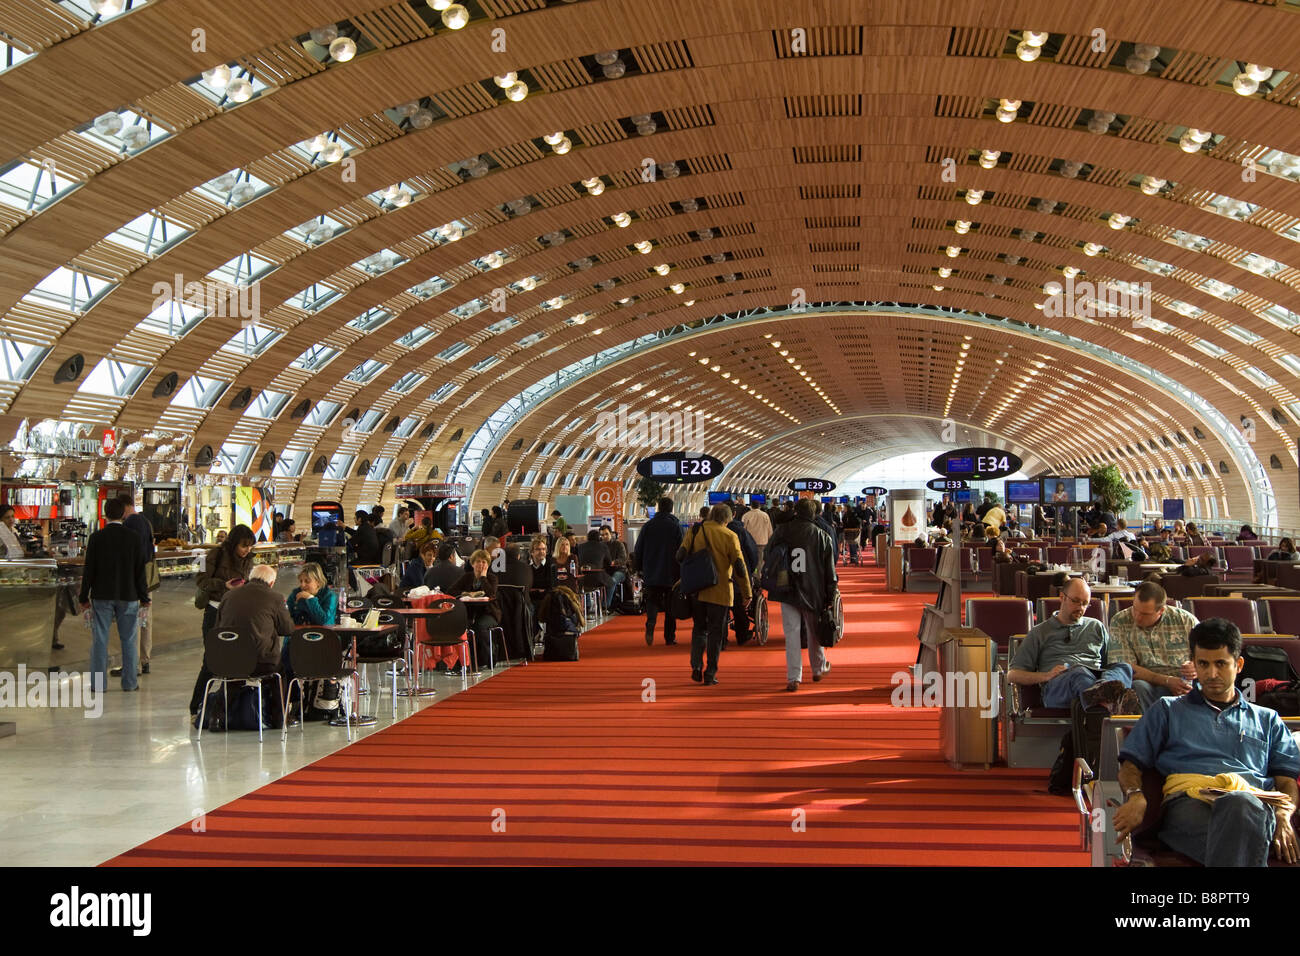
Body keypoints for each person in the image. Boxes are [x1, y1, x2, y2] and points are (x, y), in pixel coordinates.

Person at [1113, 619, 1300, 867]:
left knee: (1241, 807)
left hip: (1255, 807)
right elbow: (1131, 765)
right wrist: (1136, 796)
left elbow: (1287, 781)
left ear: (1239, 664)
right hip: (1189, 807)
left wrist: (1284, 815)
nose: (1211, 674)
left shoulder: (1267, 719)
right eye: (1203, 664)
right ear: (1194, 665)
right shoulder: (1167, 711)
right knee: (1242, 814)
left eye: (1221, 664)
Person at [1007, 577, 1137, 712]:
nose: (1080, 608)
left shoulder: (1096, 627)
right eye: (1075, 601)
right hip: (1059, 686)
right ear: (1062, 597)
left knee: (1124, 667)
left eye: (1085, 603)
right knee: (1079, 672)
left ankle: (1100, 700)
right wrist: (1046, 676)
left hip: (1093, 678)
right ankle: (1108, 704)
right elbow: (1013, 674)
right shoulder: (1040, 632)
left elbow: (1108, 664)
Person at [78, 496, 149, 694]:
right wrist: (144, 597)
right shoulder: (133, 538)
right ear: (123, 514)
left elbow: (89, 569)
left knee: (100, 640)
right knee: (128, 640)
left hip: (101, 595)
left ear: (105, 514)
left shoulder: (96, 538)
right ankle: (129, 682)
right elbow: (139, 571)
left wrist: (84, 596)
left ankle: (99, 685)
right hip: (129, 595)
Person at [675, 504, 750, 686]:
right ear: (726, 519)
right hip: (721, 591)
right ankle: (710, 672)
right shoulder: (730, 536)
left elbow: (680, 556)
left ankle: (696, 666)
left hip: (698, 589)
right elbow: (739, 567)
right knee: (716, 632)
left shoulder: (695, 531)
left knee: (699, 629)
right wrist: (747, 592)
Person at [767, 498, 837, 691]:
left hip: (787, 588)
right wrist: (830, 595)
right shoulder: (823, 536)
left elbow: (768, 554)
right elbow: (829, 571)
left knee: (792, 634)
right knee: (814, 632)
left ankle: (793, 677)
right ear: (813, 513)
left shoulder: (782, 531)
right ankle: (818, 669)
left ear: (796, 512)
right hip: (813, 590)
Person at [188, 524, 256, 715]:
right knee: (211, 661)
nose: (247, 550)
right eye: (244, 546)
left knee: (237, 660)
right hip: (214, 611)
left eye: (250, 546)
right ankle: (197, 706)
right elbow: (201, 581)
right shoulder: (214, 555)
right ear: (234, 543)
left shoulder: (249, 560)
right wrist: (223, 585)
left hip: (235, 613)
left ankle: (228, 705)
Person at [1107, 580, 1200, 711]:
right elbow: (1127, 669)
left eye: (1145, 614)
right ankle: (1150, 729)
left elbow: (1207, 655)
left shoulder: (1186, 620)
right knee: (1138, 687)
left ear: (1161, 610)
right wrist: (1167, 681)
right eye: (1135, 609)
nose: (1137, 617)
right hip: (1146, 682)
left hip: (1184, 680)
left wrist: (1196, 666)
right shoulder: (1120, 621)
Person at [215, 563, 293, 675]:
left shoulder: (228, 595)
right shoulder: (275, 598)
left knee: (235, 673)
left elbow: (218, 626)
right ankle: (276, 692)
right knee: (281, 672)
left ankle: (232, 691)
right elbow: (287, 630)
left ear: (250, 578)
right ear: (271, 583)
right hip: (261, 662)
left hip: (228, 659)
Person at [114, 492, 155, 678]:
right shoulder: (146, 521)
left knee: (132, 622)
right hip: (148, 578)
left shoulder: (129, 524)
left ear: (124, 507)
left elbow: (130, 554)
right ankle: (145, 660)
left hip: (135, 579)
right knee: (146, 620)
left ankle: (132, 665)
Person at [633, 496, 683, 646]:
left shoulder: (648, 526)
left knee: (652, 599)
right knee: (670, 605)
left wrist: (639, 568)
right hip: (671, 572)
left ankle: (651, 623)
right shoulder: (675, 526)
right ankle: (669, 637)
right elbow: (682, 549)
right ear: (671, 508)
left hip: (651, 570)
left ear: (659, 508)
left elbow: (638, 548)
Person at [448, 549, 503, 673]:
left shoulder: (492, 578)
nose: (481, 565)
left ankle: (485, 660)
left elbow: (491, 594)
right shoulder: (467, 577)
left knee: (479, 627)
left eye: (484, 562)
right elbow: (451, 591)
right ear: (472, 563)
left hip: (489, 613)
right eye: (478, 562)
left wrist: (483, 578)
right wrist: (465, 593)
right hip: (470, 612)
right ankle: (464, 661)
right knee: (462, 627)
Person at [726, 510, 760, 644]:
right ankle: (742, 633)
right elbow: (752, 553)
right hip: (739, 574)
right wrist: (751, 571)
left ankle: (721, 638)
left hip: (718, 575)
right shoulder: (741, 532)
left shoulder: (709, 532)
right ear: (734, 514)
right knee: (738, 603)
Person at [287, 562, 337, 626]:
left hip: (324, 634)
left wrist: (310, 598)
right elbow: (286, 619)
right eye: (301, 581)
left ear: (318, 582)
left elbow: (322, 620)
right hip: (301, 634)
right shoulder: (296, 594)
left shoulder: (329, 596)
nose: (302, 585)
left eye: (307, 581)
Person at [598, 526, 629, 611]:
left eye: (606, 534)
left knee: (612, 581)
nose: (604, 536)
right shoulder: (599, 546)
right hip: (605, 571)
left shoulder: (618, 544)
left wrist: (614, 562)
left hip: (619, 570)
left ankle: (605, 606)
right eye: (602, 535)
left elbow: (623, 559)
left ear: (611, 534)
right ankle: (595, 605)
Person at [742, 501, 773, 574]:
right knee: (760, 562)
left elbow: (743, 530)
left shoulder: (746, 515)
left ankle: (752, 576)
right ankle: (758, 577)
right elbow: (769, 530)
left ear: (751, 506)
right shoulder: (765, 515)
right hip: (762, 542)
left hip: (750, 543)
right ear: (759, 506)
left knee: (750, 561)